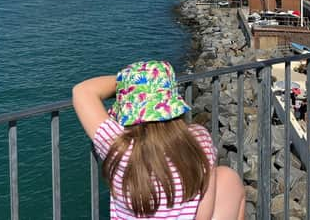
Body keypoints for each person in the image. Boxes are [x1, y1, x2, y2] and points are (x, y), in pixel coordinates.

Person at [73, 60, 245, 220]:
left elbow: (83, 91)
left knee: (226, 176)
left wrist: (126, 82)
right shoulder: (198, 139)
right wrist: (153, 81)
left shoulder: (117, 145)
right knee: (229, 178)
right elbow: (204, 215)